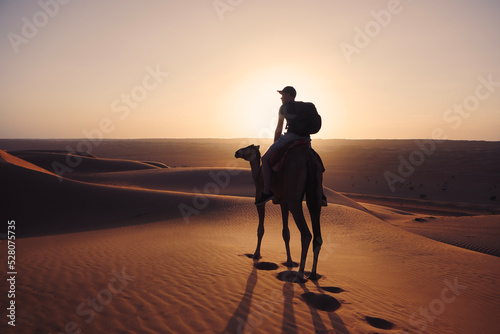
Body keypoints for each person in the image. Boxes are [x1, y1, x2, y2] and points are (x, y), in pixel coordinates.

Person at [255, 86, 312, 205]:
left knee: (265, 159)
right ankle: (321, 194)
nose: (281, 97)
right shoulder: (304, 107)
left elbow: (278, 129)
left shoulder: (284, 107)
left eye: (283, 94)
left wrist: (275, 144)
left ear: (289, 95)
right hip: (306, 139)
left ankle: (266, 192)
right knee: (313, 161)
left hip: (290, 136)